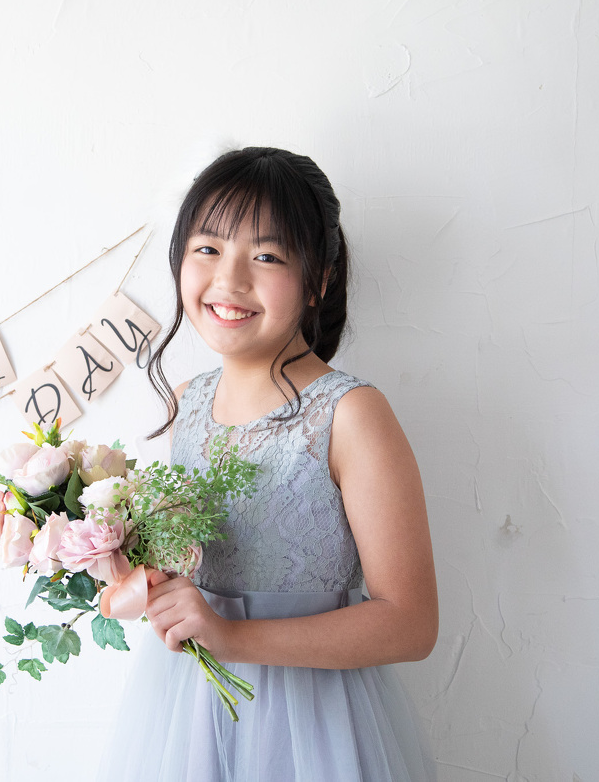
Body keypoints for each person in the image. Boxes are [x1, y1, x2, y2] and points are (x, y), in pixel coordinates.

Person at [98, 147, 438, 781]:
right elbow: (180, 570)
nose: (229, 280)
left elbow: (411, 624)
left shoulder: (351, 414)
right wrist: (94, 551)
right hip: (191, 711)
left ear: (319, 279)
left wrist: (231, 638)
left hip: (311, 725)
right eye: (207, 248)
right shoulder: (187, 403)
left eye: (267, 256)